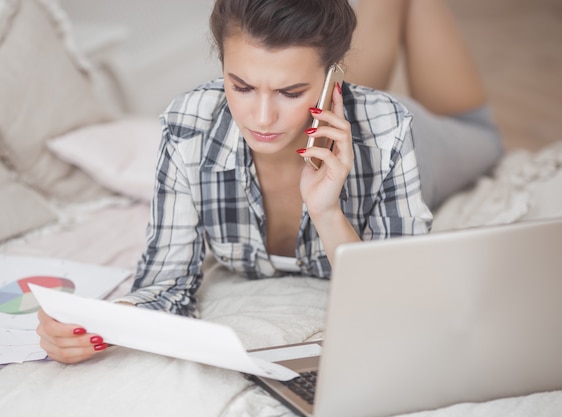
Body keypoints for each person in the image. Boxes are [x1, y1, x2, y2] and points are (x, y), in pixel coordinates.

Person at [37, 0, 503, 364]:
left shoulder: (388, 131)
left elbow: (401, 303)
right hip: (336, 96)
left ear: (330, 83)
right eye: (240, 86)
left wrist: (326, 211)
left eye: (290, 92)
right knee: (302, 93)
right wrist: (105, 323)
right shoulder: (188, 125)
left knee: (481, 134)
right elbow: (166, 283)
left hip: (420, 137)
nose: (261, 118)